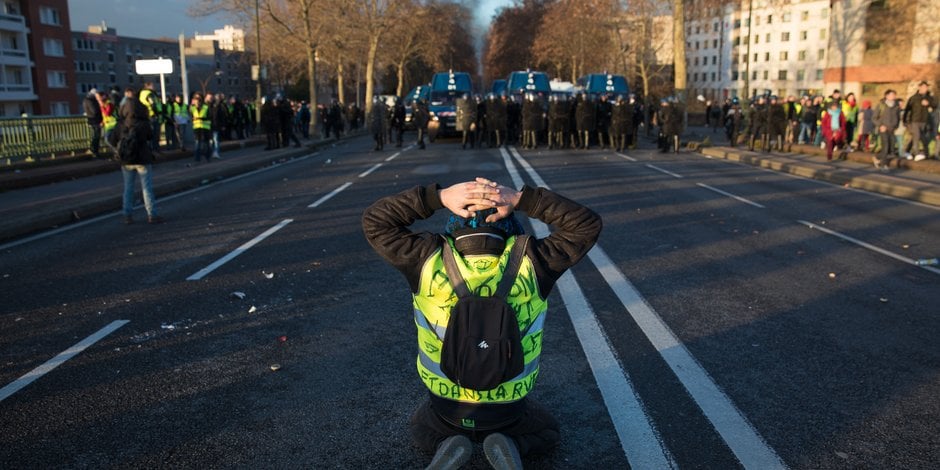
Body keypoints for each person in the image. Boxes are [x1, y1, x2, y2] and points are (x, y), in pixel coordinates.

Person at [362, 177, 601, 470]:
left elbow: (375, 221)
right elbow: (587, 224)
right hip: (508, 408)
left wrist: (438, 197)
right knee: (546, 431)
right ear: (509, 226)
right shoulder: (534, 261)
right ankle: (512, 443)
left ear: (454, 226)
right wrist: (520, 199)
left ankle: (446, 443)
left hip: (448, 407)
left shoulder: (425, 258)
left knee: (420, 426)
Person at [117, 88, 162, 225]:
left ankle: (127, 214)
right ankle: (151, 214)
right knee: (146, 187)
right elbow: (150, 137)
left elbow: (111, 138)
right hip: (142, 157)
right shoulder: (143, 123)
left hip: (127, 159)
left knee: (128, 188)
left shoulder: (122, 123)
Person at [903, 81, 937, 160]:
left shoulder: (929, 97)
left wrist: (928, 103)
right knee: (916, 137)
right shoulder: (914, 98)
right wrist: (905, 121)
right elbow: (907, 109)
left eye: (926, 87)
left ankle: (908, 151)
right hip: (914, 120)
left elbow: (935, 105)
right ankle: (917, 153)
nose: (925, 89)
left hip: (924, 120)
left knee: (922, 137)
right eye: (923, 87)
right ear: (919, 87)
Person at [873, 89, 901, 169]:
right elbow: (874, 118)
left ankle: (877, 157)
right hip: (883, 128)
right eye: (891, 95)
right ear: (887, 96)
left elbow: (898, 117)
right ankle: (883, 164)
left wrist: (896, 126)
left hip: (892, 129)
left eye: (894, 95)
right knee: (885, 145)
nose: (893, 96)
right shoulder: (881, 105)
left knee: (891, 147)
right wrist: (880, 125)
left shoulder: (896, 106)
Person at [138, 82, 161, 151]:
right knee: (155, 133)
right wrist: (157, 113)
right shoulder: (150, 94)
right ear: (149, 86)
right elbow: (153, 104)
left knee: (149, 133)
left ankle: (149, 149)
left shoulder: (142, 93)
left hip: (145, 115)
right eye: (152, 86)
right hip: (152, 115)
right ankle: (155, 149)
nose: (154, 87)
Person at [190, 94, 211, 163]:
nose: (198, 102)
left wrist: (200, 118)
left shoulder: (206, 107)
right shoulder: (192, 108)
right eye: (196, 100)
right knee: (197, 143)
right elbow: (190, 117)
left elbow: (209, 117)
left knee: (206, 143)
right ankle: (197, 158)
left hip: (205, 127)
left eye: (199, 100)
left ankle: (207, 157)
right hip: (197, 128)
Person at [207, 93, 228, 159]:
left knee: (215, 140)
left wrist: (223, 124)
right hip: (207, 126)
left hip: (215, 125)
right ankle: (209, 153)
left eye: (211, 97)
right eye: (209, 97)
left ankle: (216, 153)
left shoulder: (216, 105)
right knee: (210, 141)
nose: (210, 99)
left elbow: (221, 115)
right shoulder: (205, 106)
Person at [83, 88, 103, 158]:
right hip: (95, 120)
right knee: (96, 136)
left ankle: (93, 150)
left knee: (95, 136)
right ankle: (94, 151)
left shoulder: (87, 100)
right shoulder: (91, 101)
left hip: (92, 120)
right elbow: (94, 111)